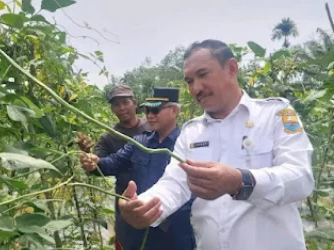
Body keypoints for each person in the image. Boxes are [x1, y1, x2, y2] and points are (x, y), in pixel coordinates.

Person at [117, 39, 315, 250]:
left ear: (231, 68)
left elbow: (301, 178)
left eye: (203, 75)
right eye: (189, 81)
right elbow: (175, 184)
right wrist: (143, 206)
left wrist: (241, 181)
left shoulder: (274, 115)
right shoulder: (192, 132)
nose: (196, 88)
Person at [79, 87, 196, 250]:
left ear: (174, 111)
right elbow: (114, 162)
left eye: (155, 110)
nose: (149, 115)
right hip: (141, 225)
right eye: (147, 110)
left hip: (177, 228)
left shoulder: (188, 144)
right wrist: (95, 162)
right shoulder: (139, 142)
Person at [76, 84, 148, 250]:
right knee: (128, 243)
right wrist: (88, 158)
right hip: (125, 199)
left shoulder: (151, 127)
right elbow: (98, 165)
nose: (122, 108)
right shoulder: (108, 137)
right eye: (116, 104)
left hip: (154, 194)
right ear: (112, 109)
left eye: (125, 102)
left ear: (135, 103)